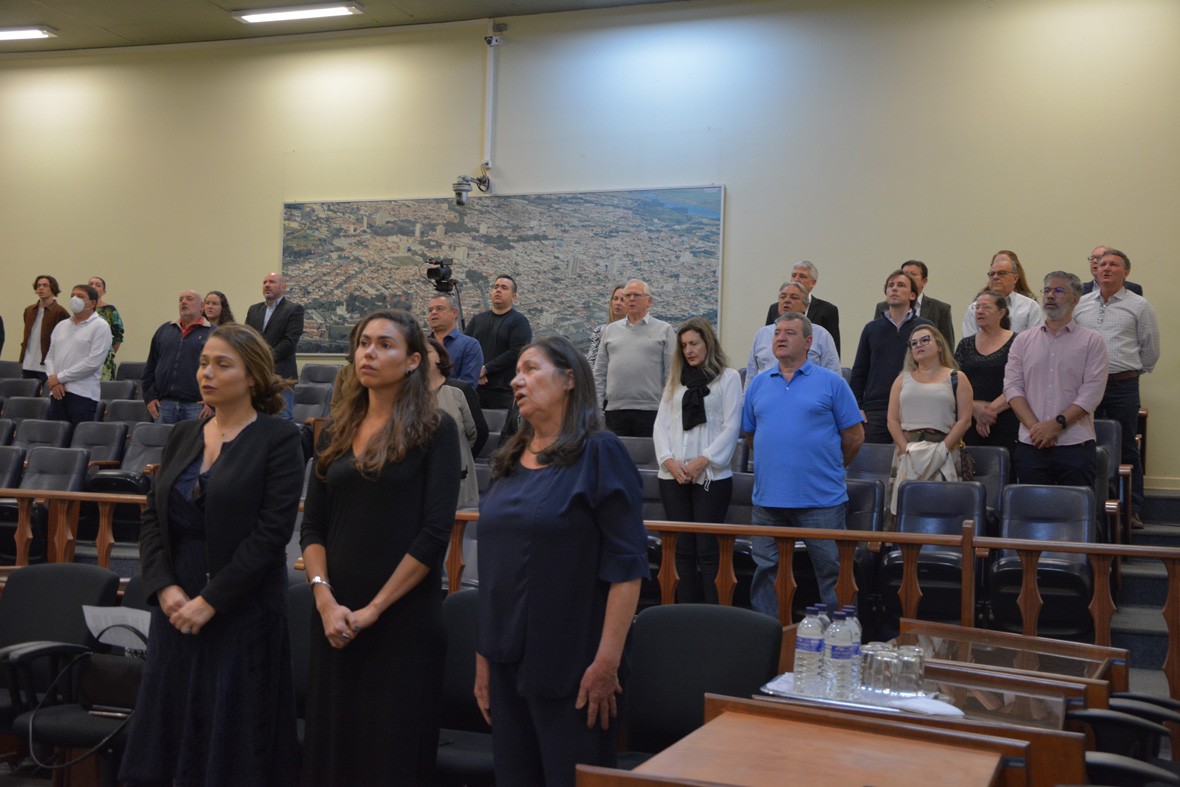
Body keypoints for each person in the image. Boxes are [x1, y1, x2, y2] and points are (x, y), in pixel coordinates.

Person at [120, 323, 302, 786]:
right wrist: (163, 588)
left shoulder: (279, 438)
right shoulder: (184, 433)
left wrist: (211, 601)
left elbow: (271, 534)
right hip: (176, 604)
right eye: (204, 363)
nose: (207, 373)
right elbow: (153, 516)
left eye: (222, 365)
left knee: (233, 740)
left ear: (253, 376)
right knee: (169, 727)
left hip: (243, 606)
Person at [475, 336, 648, 787]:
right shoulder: (509, 458)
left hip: (575, 667)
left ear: (569, 379)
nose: (517, 381)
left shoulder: (600, 452)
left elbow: (627, 567)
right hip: (505, 659)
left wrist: (607, 664)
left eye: (531, 369)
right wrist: (484, 656)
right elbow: (492, 569)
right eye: (516, 372)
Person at [300, 310, 460, 785]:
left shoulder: (436, 430)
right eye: (364, 343)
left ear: (413, 361)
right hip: (334, 619)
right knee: (333, 755)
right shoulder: (334, 430)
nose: (368, 353)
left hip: (401, 620)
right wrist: (324, 599)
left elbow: (434, 533)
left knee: (389, 760)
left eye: (384, 344)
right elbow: (313, 527)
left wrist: (372, 610)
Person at [743, 313, 864, 615]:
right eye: (777, 333)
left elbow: (854, 437)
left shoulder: (832, 383)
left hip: (821, 499)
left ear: (808, 342)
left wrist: (829, 467)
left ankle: (841, 635)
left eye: (790, 333)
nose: (780, 338)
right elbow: (751, 435)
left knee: (832, 572)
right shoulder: (758, 384)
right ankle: (767, 635)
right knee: (765, 573)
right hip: (768, 500)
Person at [653, 318, 742, 603]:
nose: (689, 350)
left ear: (708, 343)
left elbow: (731, 426)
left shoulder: (728, 378)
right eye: (684, 346)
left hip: (711, 477)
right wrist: (669, 461)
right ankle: (683, 612)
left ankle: (712, 614)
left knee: (708, 549)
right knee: (681, 550)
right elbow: (661, 425)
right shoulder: (676, 379)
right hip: (674, 475)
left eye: (694, 343)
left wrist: (703, 461)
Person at [1074, 248, 1159, 525]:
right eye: (1102, 264)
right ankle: (1090, 506)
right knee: (1084, 443)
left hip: (1122, 386)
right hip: (1086, 387)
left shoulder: (1139, 305)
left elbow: (1150, 350)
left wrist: (1126, 372)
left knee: (1126, 447)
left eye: (1113, 264)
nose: (1106, 268)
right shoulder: (1081, 303)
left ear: (1126, 272)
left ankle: (1132, 508)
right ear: (1095, 270)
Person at [1004, 272, 1108, 489]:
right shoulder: (1023, 340)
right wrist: (1037, 429)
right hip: (1031, 444)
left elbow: (1091, 394)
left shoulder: (1092, 341)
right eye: (1047, 290)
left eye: (1059, 290)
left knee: (1075, 508)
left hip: (1075, 445)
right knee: (1032, 507)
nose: (1050, 296)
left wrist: (1056, 425)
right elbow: (1013, 388)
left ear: (1075, 300)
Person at [886, 325, 973, 514]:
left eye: (925, 340)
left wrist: (944, 448)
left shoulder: (957, 378)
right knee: (905, 511)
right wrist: (905, 449)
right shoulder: (902, 379)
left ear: (939, 345)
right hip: (908, 453)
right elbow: (892, 420)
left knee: (942, 510)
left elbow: (965, 419)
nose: (919, 345)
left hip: (944, 450)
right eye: (914, 343)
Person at [849, 270, 933, 443]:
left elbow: (934, 368)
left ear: (912, 295)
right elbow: (859, 371)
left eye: (901, 285)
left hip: (914, 407)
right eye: (890, 285)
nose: (894, 289)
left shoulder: (925, 328)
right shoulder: (871, 329)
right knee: (872, 459)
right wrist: (857, 407)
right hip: (876, 409)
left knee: (912, 457)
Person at [592, 279, 677, 437]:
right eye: (627, 295)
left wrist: (669, 410)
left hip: (652, 411)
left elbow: (671, 375)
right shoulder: (610, 331)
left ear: (649, 301)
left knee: (649, 453)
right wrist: (597, 408)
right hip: (614, 411)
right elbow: (599, 373)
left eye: (636, 295)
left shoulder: (664, 330)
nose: (631, 299)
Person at [954, 290, 1019, 448]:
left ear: (1001, 313)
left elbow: (1021, 382)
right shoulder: (965, 344)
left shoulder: (1018, 342)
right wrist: (975, 407)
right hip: (970, 419)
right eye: (977, 307)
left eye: (986, 307)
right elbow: (953, 383)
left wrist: (990, 411)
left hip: (1007, 417)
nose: (980, 311)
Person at [142, 290, 215, 424]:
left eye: (189, 299)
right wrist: (150, 398)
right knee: (162, 439)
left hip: (197, 406)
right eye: (181, 300)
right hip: (163, 405)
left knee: (193, 439)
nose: (183, 302)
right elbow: (150, 366)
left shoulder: (214, 333)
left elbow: (221, 371)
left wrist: (213, 402)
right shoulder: (165, 330)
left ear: (202, 306)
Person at [746, 280, 840, 383]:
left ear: (805, 306)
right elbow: (750, 378)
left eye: (794, 297)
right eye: (783, 297)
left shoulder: (821, 335)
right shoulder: (762, 334)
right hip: (767, 391)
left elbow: (834, 377)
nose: (787, 301)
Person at [44, 284, 112, 425]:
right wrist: (53, 380)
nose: (74, 299)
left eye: (80, 296)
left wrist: (59, 378)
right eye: (72, 296)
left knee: (78, 435)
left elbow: (92, 363)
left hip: (82, 394)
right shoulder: (61, 325)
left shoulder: (100, 326)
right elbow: (50, 358)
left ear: (92, 303)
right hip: (57, 392)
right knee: (56, 435)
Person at [426, 335, 480, 510]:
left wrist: (457, 453)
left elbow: (475, 433)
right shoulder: (407, 396)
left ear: (440, 357)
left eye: (426, 351)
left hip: (458, 474)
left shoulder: (457, 392)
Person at [465, 274, 532, 410]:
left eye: (504, 288)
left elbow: (517, 352)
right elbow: (465, 347)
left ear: (513, 297)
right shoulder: (478, 319)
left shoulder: (519, 322)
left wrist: (485, 369)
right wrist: (477, 371)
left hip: (503, 392)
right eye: (496, 287)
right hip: (474, 388)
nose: (498, 290)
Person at [245, 271, 304, 419]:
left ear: (283, 287)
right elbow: (247, 339)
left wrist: (263, 359)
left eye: (272, 282)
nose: (267, 285)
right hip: (257, 377)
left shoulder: (293, 309)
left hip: (282, 376)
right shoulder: (254, 310)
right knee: (256, 419)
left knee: (282, 418)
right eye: (265, 282)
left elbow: (289, 342)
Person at [764, 260, 841, 353]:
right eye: (794, 275)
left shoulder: (827, 310)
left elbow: (833, 351)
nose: (796, 279)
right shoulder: (775, 308)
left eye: (802, 276)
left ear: (813, 283)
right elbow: (767, 340)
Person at [872, 260, 955, 346]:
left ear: (924, 281)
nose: (908, 277)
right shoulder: (883, 307)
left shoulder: (941, 309)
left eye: (913, 274)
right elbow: (875, 339)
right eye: (904, 274)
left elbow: (947, 346)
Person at [961, 250, 1041, 339]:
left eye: (1001, 273)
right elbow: (968, 343)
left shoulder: (1030, 306)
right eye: (992, 274)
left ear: (1015, 278)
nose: (995, 277)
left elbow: (1035, 342)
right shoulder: (974, 309)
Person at [426, 292, 483, 388]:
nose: (433, 312)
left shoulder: (470, 345)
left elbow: (467, 385)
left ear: (454, 313)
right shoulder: (421, 345)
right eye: (430, 310)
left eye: (439, 308)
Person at [19, 274, 70, 383]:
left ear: (53, 288)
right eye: (38, 285)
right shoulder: (29, 310)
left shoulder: (60, 312)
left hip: (47, 365)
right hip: (28, 363)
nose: (41, 288)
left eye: (45, 285)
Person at [89, 276, 124, 381]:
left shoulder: (110, 310)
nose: (93, 286)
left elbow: (118, 335)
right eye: (91, 284)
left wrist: (109, 353)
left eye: (98, 285)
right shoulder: (82, 310)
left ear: (104, 292)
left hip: (103, 359)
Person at [586, 285, 625, 368]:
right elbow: (591, 362)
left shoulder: (635, 334)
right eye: (615, 299)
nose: (618, 303)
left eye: (622, 300)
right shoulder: (599, 331)